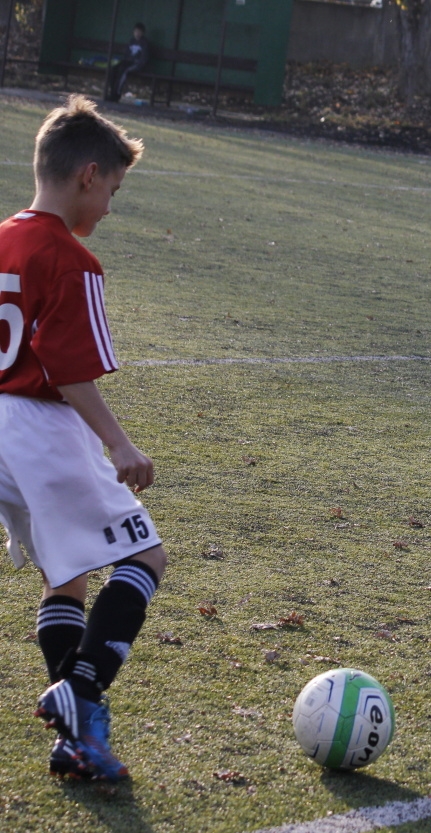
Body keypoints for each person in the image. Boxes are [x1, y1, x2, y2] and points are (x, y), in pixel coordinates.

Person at [0, 95, 162, 781]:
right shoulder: (71, 260)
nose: (110, 209)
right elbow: (68, 370)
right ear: (88, 175)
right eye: (113, 192)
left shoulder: (2, 237)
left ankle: (76, 740)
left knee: (64, 575)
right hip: (38, 427)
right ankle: (83, 690)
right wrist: (119, 444)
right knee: (145, 555)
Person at [105, 23, 149, 103]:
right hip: (127, 62)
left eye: (139, 32)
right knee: (113, 69)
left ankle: (116, 94)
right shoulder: (131, 41)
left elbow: (143, 59)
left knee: (123, 71)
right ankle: (112, 92)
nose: (137, 33)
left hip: (136, 64)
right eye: (136, 31)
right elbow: (126, 55)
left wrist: (137, 65)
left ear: (142, 33)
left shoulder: (144, 43)